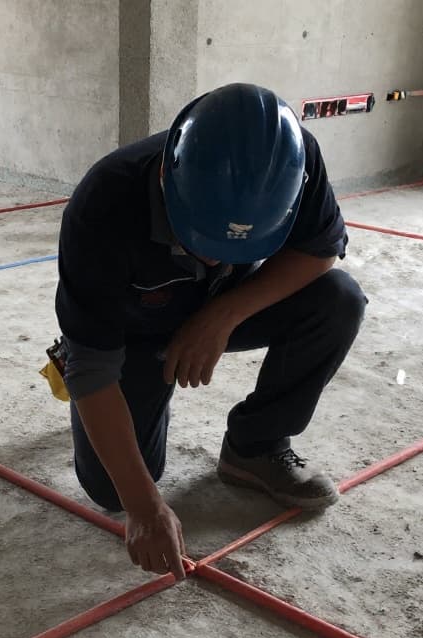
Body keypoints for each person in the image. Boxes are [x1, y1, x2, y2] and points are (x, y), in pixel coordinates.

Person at [55, 83, 367, 581]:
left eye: (235, 246)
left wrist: (220, 318)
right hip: (136, 331)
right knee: (115, 492)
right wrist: (146, 507)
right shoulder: (104, 205)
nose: (217, 258)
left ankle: (253, 447)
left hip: (224, 304)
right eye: (200, 239)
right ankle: (98, 371)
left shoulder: (294, 162)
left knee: (338, 300)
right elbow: (92, 370)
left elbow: (320, 249)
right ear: (166, 178)